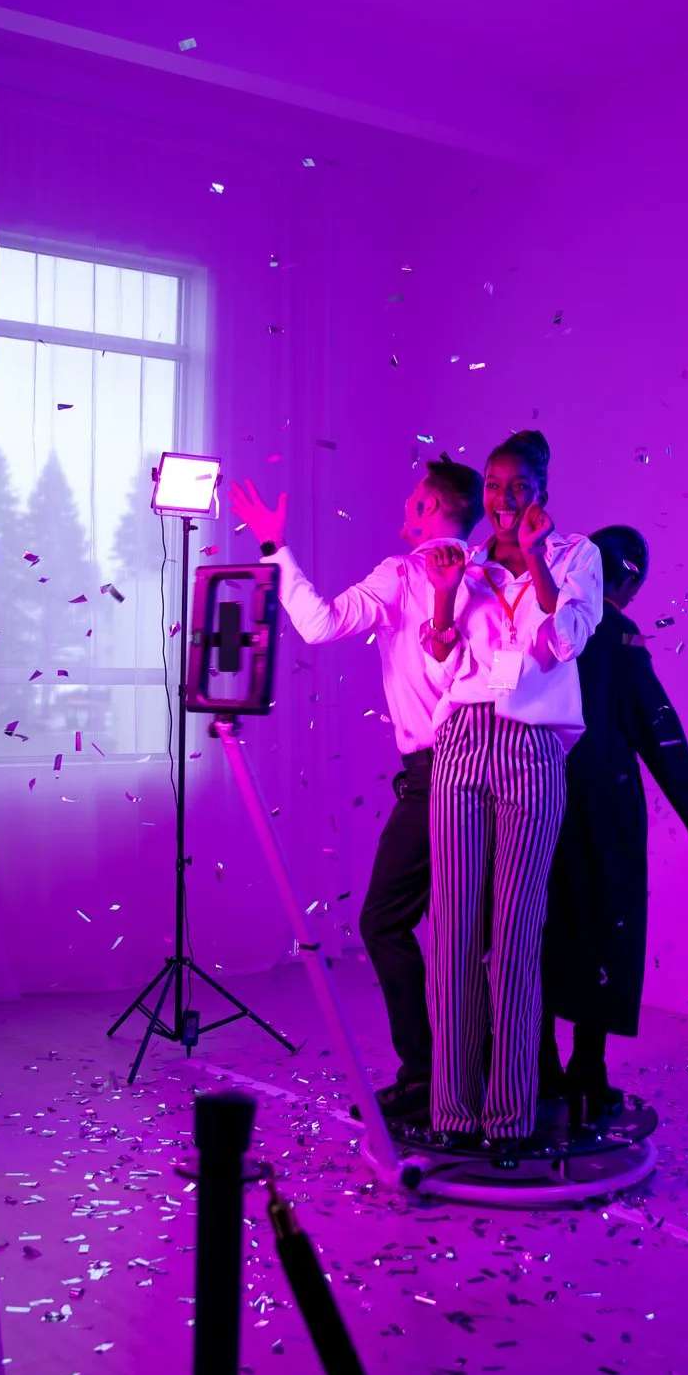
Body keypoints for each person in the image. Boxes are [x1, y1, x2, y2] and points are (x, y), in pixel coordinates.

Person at [226, 458, 483, 1126]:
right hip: (498, 773)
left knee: (383, 921)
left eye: (413, 496)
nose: (404, 502)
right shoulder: (490, 574)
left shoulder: (402, 572)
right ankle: (477, 1077)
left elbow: (317, 624)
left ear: (431, 506)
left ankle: (429, 1078)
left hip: (438, 774)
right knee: (478, 931)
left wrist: (272, 546)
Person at [418, 429, 605, 1162]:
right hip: (463, 736)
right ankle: (453, 1109)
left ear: (542, 489)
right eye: (493, 485)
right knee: (455, 937)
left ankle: (509, 1113)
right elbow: (439, 653)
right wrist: (441, 594)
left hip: (530, 745)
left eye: (516, 484)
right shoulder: (465, 562)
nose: (501, 498)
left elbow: (565, 642)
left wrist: (533, 559)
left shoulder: (575, 555)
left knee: (517, 940)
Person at [538, 525, 688, 1125]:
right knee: (605, 931)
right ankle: (586, 1073)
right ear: (628, 581)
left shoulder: (540, 619)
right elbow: (657, 725)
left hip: (535, 795)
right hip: (602, 807)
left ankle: (539, 1068)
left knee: (538, 931)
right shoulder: (617, 634)